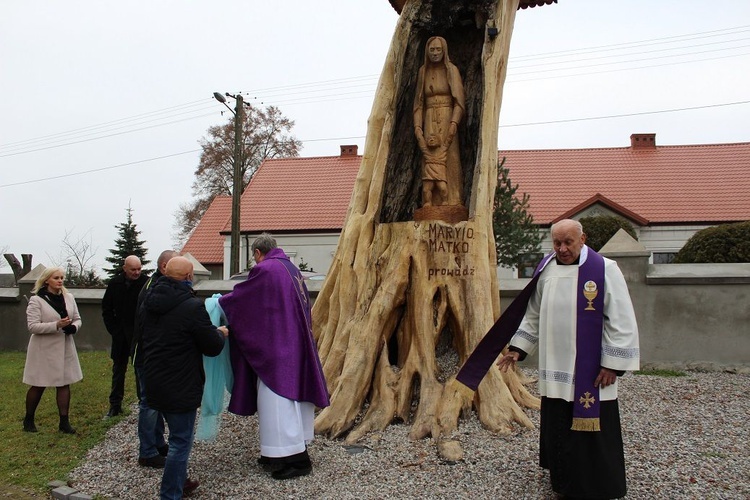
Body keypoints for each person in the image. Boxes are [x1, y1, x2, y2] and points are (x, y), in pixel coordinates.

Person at [493, 219, 641, 499]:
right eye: (557, 243)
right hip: (554, 368)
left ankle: (596, 485)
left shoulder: (605, 270)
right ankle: (563, 482)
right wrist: (518, 348)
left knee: (591, 430)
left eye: (568, 242)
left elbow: (622, 321)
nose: (561, 249)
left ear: (582, 239)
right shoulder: (546, 269)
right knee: (560, 425)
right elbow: (533, 314)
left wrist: (612, 364)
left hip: (592, 372)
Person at [219, 233, 330, 480]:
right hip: (293, 342)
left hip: (278, 350)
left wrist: (221, 303)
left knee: (279, 405)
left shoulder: (267, 270)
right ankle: (276, 454)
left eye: (254, 259)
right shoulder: (290, 268)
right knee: (288, 404)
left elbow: (245, 299)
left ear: (258, 253)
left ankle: (295, 460)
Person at [139, 256, 227, 499]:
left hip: (154, 377)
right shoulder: (192, 306)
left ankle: (181, 480)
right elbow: (210, 346)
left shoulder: (149, 300)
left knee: (173, 437)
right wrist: (219, 333)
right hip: (180, 382)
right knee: (180, 442)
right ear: (189, 277)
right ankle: (171, 493)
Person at [22, 266, 83, 434]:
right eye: (56, 277)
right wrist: (56, 325)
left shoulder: (68, 297)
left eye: (62, 277)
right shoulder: (37, 300)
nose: (60, 280)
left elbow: (77, 318)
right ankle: (28, 419)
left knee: (64, 383)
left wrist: (73, 328)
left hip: (64, 347)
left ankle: (64, 422)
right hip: (44, 350)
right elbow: (33, 326)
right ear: (47, 279)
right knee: (39, 385)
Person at [133, 249, 178, 468]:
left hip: (155, 355)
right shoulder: (154, 290)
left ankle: (158, 443)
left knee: (156, 402)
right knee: (149, 403)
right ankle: (147, 451)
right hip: (148, 356)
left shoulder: (162, 286)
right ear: (163, 267)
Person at [413, 35, 465, 208]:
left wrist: (453, 124)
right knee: (429, 157)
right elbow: (418, 103)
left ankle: (452, 200)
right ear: (427, 51)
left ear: (444, 51)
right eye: (432, 49)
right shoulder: (423, 71)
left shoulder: (451, 70)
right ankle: (429, 202)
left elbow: (459, 103)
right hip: (429, 120)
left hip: (447, 117)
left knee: (450, 157)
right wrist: (418, 127)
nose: (435, 53)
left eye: (438, 50)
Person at [102, 255, 148, 417]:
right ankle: (115, 405)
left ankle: (143, 403)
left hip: (139, 335)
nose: (136, 272)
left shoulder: (146, 283)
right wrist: (114, 330)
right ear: (125, 268)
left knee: (140, 370)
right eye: (133, 269)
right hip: (120, 334)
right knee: (118, 370)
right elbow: (107, 309)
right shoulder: (115, 284)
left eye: (139, 269)